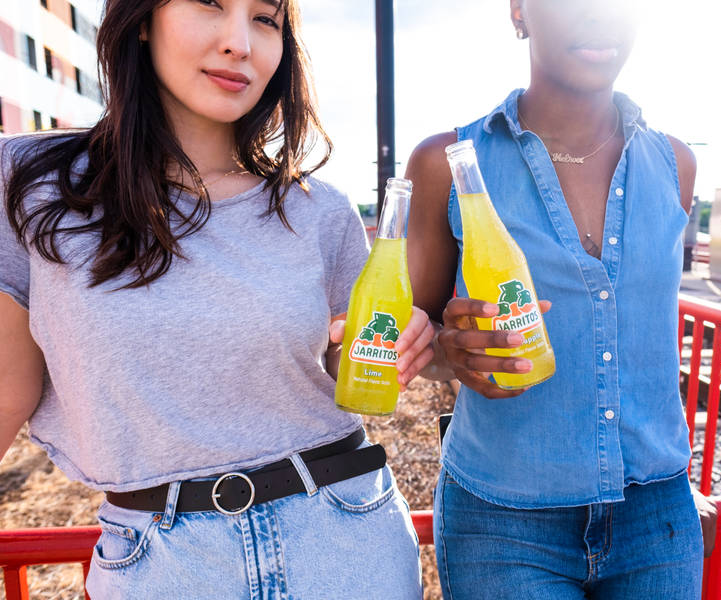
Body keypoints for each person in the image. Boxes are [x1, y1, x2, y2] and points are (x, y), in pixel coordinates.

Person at [0, 1, 432, 598]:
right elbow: (5, 389)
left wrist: (398, 345)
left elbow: (345, 367)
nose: (240, 43)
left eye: (266, 19)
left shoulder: (318, 208)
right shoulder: (32, 184)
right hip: (158, 563)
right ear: (143, 17)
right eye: (210, 3)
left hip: (344, 541)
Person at [405, 1, 715, 598]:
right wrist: (452, 351)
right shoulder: (445, 164)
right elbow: (409, 341)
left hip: (658, 517)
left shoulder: (676, 164)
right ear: (520, 11)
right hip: (504, 522)